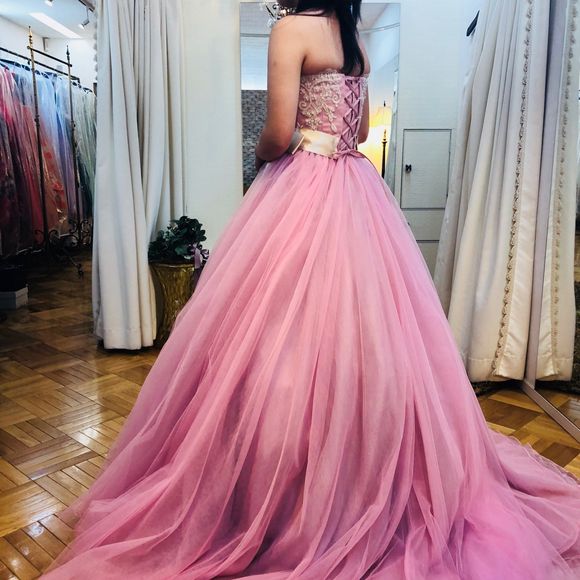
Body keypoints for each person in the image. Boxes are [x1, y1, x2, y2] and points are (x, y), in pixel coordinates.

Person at [44, 1, 580, 578]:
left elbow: (278, 132)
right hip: (355, 186)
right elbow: (363, 130)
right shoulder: (355, 38)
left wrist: (262, 154)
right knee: (363, 329)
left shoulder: (290, 29)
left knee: (275, 329)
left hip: (302, 184)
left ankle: (278, 480)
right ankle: (360, 460)